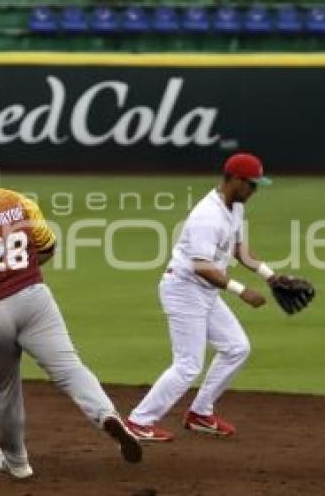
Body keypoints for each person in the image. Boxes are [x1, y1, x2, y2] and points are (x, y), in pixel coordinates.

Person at [0, 143, 142, 479]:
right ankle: (106, 415)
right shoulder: (17, 200)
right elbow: (47, 246)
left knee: (4, 390)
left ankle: (17, 462)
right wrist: (20, 269)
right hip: (34, 298)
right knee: (71, 367)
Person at [125, 152, 278, 442]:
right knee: (187, 364)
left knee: (236, 347)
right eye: (251, 184)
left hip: (203, 291)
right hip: (183, 289)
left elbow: (238, 250)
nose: (254, 191)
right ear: (234, 180)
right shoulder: (207, 216)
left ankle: (200, 414)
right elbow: (202, 266)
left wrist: (272, 276)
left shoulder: (234, 207)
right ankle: (138, 421)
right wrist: (242, 291)